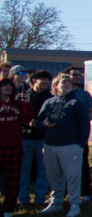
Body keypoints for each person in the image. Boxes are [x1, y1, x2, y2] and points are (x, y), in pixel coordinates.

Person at [37, 74, 90, 217]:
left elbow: (85, 124)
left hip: (71, 145)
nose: (67, 85)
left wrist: (81, 144)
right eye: (63, 82)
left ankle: (74, 204)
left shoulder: (76, 103)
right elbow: (39, 120)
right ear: (55, 86)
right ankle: (56, 203)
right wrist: (43, 124)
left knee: (73, 176)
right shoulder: (49, 102)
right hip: (50, 145)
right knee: (54, 177)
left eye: (69, 82)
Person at [0, 78, 31, 217]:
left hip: (15, 147)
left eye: (10, 86)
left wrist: (27, 102)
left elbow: (26, 120)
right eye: (4, 86)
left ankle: (8, 209)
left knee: (13, 181)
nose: (8, 88)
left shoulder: (18, 104)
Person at [19, 70, 53, 206]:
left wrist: (39, 123)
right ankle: (23, 199)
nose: (45, 82)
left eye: (47, 79)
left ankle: (39, 199)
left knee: (42, 170)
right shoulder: (24, 96)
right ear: (34, 81)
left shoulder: (49, 97)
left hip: (42, 138)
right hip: (25, 137)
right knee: (24, 170)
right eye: (42, 79)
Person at [65, 67, 92, 202]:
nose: (78, 77)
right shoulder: (61, 94)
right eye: (75, 75)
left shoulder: (84, 94)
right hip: (63, 136)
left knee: (82, 163)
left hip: (80, 135)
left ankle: (86, 193)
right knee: (64, 165)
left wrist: (80, 122)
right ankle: (64, 193)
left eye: (80, 75)